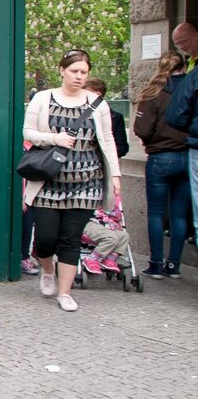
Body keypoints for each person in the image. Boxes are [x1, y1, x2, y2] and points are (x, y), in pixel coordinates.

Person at [24, 48, 121, 312]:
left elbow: (108, 139)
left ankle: (65, 292)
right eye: (74, 71)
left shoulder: (97, 103)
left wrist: (115, 175)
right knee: (45, 237)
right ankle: (47, 268)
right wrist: (54, 138)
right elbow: (28, 132)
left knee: (71, 238)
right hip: (48, 181)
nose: (79, 76)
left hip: (86, 181)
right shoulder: (42, 98)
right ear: (62, 70)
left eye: (84, 72)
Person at [135, 51, 190, 278]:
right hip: (187, 156)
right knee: (179, 215)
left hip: (160, 157)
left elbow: (142, 129)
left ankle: (156, 264)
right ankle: (174, 265)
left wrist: (151, 141)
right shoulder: (191, 90)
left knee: (156, 213)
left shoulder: (153, 92)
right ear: (184, 67)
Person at [80, 205, 130, 276]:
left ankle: (109, 259)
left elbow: (117, 215)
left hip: (107, 226)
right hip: (91, 223)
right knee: (111, 238)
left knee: (124, 236)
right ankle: (91, 259)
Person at [84, 79, 128, 158]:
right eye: (89, 95)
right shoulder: (73, 114)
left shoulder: (115, 117)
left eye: (97, 96)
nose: (93, 99)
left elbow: (122, 148)